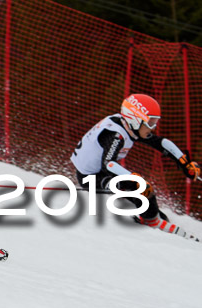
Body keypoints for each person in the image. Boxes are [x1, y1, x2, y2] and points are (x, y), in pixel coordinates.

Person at [70, 93, 200, 235]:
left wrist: (184, 162)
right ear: (135, 120)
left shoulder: (129, 126)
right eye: (150, 122)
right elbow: (108, 164)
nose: (153, 127)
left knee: (142, 190)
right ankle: (151, 220)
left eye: (155, 122)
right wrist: (133, 178)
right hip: (91, 178)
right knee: (142, 186)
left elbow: (160, 142)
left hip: (102, 171)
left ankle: (150, 215)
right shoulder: (116, 134)